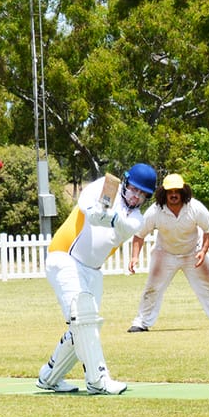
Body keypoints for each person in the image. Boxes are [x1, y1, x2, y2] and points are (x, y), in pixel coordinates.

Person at [36, 163, 157, 395]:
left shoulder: (137, 220)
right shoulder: (104, 185)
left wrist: (109, 216)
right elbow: (87, 209)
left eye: (143, 194)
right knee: (83, 321)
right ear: (125, 182)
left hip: (93, 271)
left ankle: (49, 377)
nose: (136, 196)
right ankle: (98, 380)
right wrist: (98, 211)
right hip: (64, 257)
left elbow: (122, 226)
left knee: (82, 327)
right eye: (134, 189)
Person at [126, 173, 209, 331]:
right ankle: (141, 323)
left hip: (193, 253)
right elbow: (139, 235)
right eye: (170, 191)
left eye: (177, 191)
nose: (173, 194)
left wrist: (203, 251)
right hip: (164, 253)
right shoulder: (155, 211)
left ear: (183, 192)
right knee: (152, 287)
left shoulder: (195, 207)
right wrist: (134, 257)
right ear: (164, 193)